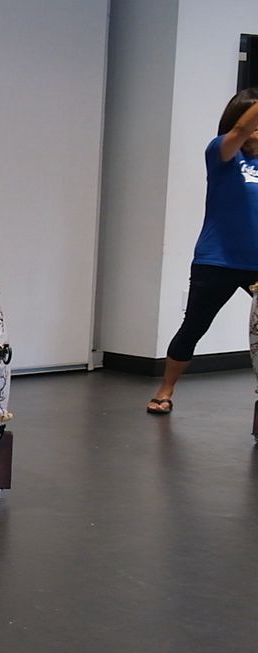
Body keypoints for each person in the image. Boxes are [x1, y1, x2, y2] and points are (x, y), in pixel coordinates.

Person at [147, 89, 258, 414]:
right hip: (218, 260)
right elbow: (237, 134)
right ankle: (165, 390)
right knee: (194, 326)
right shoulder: (222, 153)